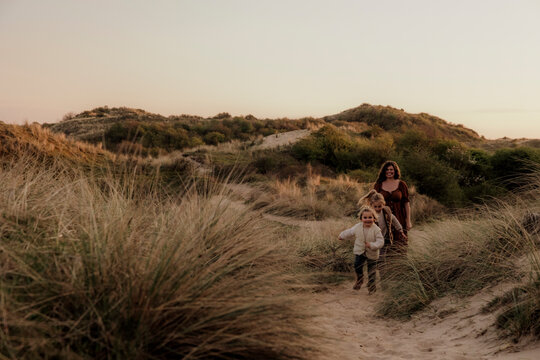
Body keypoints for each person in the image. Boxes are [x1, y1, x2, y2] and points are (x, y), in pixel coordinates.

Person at [338, 206, 384, 293]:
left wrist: (372, 245)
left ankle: (371, 287)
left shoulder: (376, 230)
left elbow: (381, 241)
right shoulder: (357, 227)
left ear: (374, 218)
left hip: (372, 253)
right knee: (357, 266)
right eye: (365, 217)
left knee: (372, 271)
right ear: (361, 219)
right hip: (360, 251)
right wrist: (342, 236)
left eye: (370, 217)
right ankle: (360, 279)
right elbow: (350, 232)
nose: (367, 219)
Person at [359, 190, 407, 271]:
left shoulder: (386, 212)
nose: (377, 208)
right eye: (375, 207)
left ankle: (381, 271)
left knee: (382, 255)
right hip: (372, 239)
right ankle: (373, 269)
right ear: (371, 205)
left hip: (384, 238)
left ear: (383, 204)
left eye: (379, 206)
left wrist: (400, 231)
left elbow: (394, 220)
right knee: (373, 255)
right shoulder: (369, 214)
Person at [374, 160, 412, 237]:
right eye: (387, 169)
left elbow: (406, 204)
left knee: (400, 242)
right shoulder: (378, 185)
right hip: (383, 218)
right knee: (383, 243)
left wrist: (408, 220)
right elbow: (373, 203)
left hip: (400, 217)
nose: (389, 171)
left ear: (395, 171)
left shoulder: (402, 184)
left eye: (391, 169)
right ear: (384, 171)